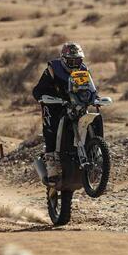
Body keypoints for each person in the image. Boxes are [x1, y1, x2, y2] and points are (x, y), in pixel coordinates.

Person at [31, 42, 89, 182]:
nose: (75, 64)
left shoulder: (83, 69)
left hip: (75, 103)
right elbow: (38, 90)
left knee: (87, 122)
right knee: (51, 128)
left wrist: (95, 97)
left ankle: (93, 153)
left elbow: (90, 87)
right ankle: (52, 166)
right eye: (71, 61)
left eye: (78, 60)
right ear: (64, 59)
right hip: (54, 104)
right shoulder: (53, 69)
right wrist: (43, 97)